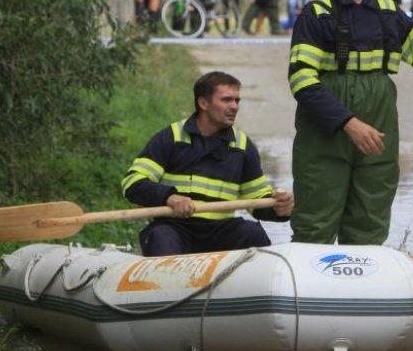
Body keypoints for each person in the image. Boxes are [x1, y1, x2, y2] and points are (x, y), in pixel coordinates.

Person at [287, 0, 413, 245]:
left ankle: (363, 282)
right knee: (315, 220)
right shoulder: (317, 14)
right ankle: (309, 286)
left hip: (380, 121)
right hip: (327, 132)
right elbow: (302, 81)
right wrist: (348, 123)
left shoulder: (389, 12)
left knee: (370, 220)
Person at [121, 72, 294, 256]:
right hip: (175, 228)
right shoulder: (171, 137)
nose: (234, 107)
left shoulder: (242, 146)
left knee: (252, 234)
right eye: (227, 100)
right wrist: (170, 198)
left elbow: (257, 199)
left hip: (220, 232)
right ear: (203, 103)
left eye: (237, 100)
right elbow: (132, 184)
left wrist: (279, 208)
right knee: (160, 237)